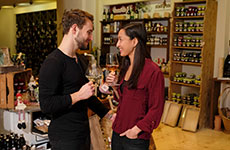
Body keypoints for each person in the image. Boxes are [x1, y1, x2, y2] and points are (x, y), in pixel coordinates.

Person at [39, 9, 112, 150]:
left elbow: (88, 96)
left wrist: (107, 114)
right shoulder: (53, 62)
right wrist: (78, 96)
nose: (91, 38)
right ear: (74, 29)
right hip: (64, 139)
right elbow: (46, 105)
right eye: (89, 32)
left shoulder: (80, 60)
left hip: (82, 135)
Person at [105, 23, 165, 150]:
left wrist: (135, 130)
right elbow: (124, 100)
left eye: (121, 39)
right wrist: (115, 87)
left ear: (134, 41)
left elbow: (156, 109)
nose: (117, 44)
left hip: (135, 138)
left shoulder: (153, 71)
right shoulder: (125, 66)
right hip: (118, 132)